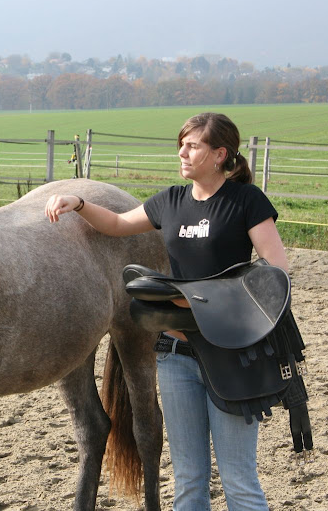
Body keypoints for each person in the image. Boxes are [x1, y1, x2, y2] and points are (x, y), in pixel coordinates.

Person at [44, 112, 287, 510]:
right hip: (176, 355)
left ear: (219, 154)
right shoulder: (171, 201)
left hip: (231, 354)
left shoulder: (246, 202)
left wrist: (202, 299)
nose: (183, 152)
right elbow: (119, 223)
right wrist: (81, 203)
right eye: (182, 144)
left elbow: (275, 273)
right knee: (188, 480)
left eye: (193, 146)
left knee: (238, 480)